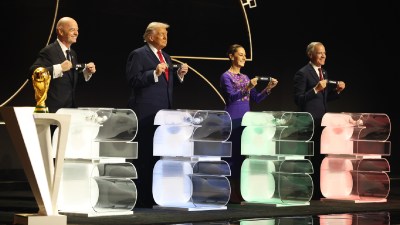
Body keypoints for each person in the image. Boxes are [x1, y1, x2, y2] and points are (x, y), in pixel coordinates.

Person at [125, 22, 189, 208]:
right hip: (145, 113)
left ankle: (154, 196)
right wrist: (153, 72)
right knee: (143, 155)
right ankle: (140, 198)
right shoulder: (138, 54)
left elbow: (165, 85)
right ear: (150, 37)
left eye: (166, 34)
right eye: (161, 34)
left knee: (158, 156)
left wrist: (179, 76)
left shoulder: (166, 56)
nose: (165, 37)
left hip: (163, 116)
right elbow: (133, 79)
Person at [220, 44, 278, 203]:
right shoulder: (226, 76)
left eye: (245, 55)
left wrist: (268, 88)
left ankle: (241, 191)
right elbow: (231, 97)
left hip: (246, 119)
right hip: (233, 118)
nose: (244, 57)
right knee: (232, 156)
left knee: (243, 155)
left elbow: (257, 98)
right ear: (232, 56)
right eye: (241, 54)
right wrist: (247, 87)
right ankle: (229, 193)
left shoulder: (245, 77)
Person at [293, 41, 346, 199]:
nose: (323, 56)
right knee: (309, 158)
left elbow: (323, 99)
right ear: (310, 55)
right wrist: (316, 89)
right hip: (308, 123)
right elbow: (298, 99)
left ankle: (318, 191)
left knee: (320, 157)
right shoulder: (302, 73)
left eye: (324, 52)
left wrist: (337, 91)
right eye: (319, 53)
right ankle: (306, 191)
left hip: (322, 122)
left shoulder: (324, 72)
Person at [30, 17, 96, 113]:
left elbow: (68, 80)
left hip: (70, 111)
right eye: (72, 30)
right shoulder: (49, 51)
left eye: (77, 30)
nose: (76, 33)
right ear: (60, 32)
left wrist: (86, 72)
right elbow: (33, 72)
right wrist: (59, 68)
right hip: (54, 112)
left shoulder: (72, 54)